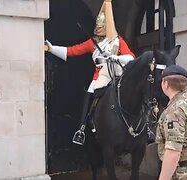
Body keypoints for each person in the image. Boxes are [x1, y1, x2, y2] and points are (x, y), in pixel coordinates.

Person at [45, 0, 136, 145]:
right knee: (89, 94)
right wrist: (52, 48)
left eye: (101, 25)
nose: (98, 27)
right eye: (98, 25)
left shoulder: (118, 41)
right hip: (99, 75)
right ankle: (82, 128)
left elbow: (131, 57)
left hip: (118, 73)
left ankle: (146, 127)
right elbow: (72, 51)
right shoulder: (92, 43)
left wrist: (115, 57)